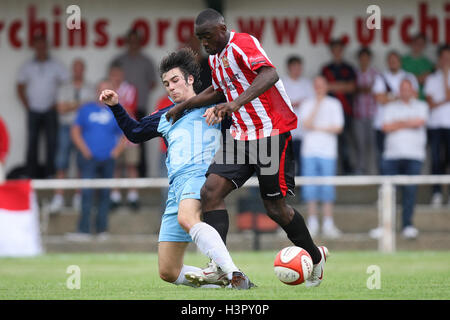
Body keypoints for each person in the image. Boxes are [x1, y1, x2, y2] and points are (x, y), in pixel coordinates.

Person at [165, 8, 328, 289]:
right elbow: (219, 89)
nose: (204, 43)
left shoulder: (243, 43)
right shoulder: (215, 57)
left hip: (270, 134)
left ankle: (315, 256)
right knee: (210, 192)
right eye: (200, 39)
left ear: (221, 28)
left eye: (207, 37)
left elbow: (270, 74)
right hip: (240, 137)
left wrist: (235, 103)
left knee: (275, 209)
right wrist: (185, 105)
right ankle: (220, 266)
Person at [100, 48, 253, 289]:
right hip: (175, 187)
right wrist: (116, 106)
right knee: (168, 271)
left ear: (190, 79)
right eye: (166, 83)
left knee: (187, 217)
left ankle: (234, 273)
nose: (170, 87)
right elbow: (135, 133)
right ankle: (225, 283)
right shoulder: (166, 115)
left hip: (200, 176)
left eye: (175, 80)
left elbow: (244, 117)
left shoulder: (215, 104)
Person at [65, 80, 127, 241]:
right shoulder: (86, 109)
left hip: (108, 159)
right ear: (96, 92)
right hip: (88, 159)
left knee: (106, 195)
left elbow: (125, 132)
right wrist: (84, 150)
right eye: (101, 90)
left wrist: (116, 152)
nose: (104, 94)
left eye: (107, 90)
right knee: (86, 194)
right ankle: (84, 230)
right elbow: (75, 131)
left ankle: (102, 230)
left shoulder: (116, 111)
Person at [370, 79, 428, 239]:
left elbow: (420, 122)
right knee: (387, 192)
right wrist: (409, 122)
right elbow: (386, 127)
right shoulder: (389, 107)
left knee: (410, 192)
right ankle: (384, 226)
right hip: (391, 156)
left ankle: (407, 225)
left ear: (413, 91)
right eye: (402, 89)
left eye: (408, 89)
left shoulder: (421, 106)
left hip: (414, 155)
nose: (405, 91)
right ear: (399, 91)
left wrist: (398, 123)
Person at [16, 33, 70, 178]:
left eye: (43, 45)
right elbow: (20, 86)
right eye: (38, 45)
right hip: (33, 110)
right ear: (34, 47)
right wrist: (26, 104)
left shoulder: (56, 65)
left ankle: (50, 174)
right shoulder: (27, 65)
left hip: (50, 110)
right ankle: (30, 174)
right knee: (32, 143)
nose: (41, 48)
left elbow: (65, 84)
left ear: (47, 47)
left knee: (52, 143)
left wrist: (57, 102)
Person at [49, 58, 96, 213]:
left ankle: (78, 196)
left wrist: (71, 105)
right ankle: (59, 197)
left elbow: (90, 108)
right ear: (72, 70)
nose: (77, 71)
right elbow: (61, 109)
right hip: (66, 127)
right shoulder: (64, 87)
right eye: (75, 68)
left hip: (84, 129)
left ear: (84, 70)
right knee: (61, 162)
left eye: (80, 68)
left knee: (81, 163)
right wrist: (79, 105)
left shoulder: (90, 88)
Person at [299, 76, 344, 238]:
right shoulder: (307, 103)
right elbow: (306, 124)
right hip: (310, 151)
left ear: (327, 86)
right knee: (310, 188)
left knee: (327, 187)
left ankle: (328, 223)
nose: (319, 88)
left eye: (322, 85)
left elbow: (338, 127)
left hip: (328, 152)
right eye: (316, 85)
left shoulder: (334, 104)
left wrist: (317, 127)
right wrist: (317, 104)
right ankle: (312, 222)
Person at [112, 29, 158, 178]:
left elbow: (152, 83)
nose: (133, 44)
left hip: (139, 107)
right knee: (117, 140)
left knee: (140, 141)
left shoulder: (146, 61)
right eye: (130, 41)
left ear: (139, 42)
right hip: (119, 108)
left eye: (135, 41)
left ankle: (141, 176)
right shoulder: (119, 60)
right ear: (126, 42)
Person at [372, 51, 419, 174]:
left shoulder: (409, 77)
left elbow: (415, 96)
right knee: (383, 157)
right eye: (390, 60)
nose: (393, 63)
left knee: (405, 156)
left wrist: (390, 97)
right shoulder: (381, 77)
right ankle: (385, 187)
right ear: (387, 62)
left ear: (400, 61)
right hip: (383, 124)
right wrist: (401, 96)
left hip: (405, 123)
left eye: (395, 60)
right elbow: (379, 98)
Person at [107, 62, 140, 210]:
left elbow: (130, 108)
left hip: (129, 131)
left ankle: (133, 196)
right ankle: (115, 195)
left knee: (131, 164)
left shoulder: (130, 88)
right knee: (116, 165)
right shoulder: (106, 89)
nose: (116, 77)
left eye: (118, 74)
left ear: (122, 74)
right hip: (113, 133)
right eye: (113, 74)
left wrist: (114, 104)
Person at [321, 38, 357, 175]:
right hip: (328, 113)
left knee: (346, 143)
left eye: (339, 49)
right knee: (330, 144)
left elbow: (352, 88)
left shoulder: (349, 68)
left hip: (346, 110)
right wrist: (342, 86)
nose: (337, 52)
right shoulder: (326, 69)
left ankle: (347, 171)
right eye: (334, 49)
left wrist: (333, 86)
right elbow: (324, 87)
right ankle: (333, 172)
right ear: (331, 51)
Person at [424, 44, 450, 207]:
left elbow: (447, 95)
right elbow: (430, 103)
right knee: (435, 159)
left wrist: (446, 76)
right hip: (434, 125)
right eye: (444, 57)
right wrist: (444, 100)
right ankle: (437, 193)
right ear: (439, 59)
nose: (446, 60)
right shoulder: (431, 79)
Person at [281, 55, 314, 176]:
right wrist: (295, 103)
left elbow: (312, 102)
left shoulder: (307, 83)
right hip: (287, 129)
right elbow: (279, 103)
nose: (297, 70)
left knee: (302, 158)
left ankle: (300, 185)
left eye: (299, 67)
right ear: (289, 68)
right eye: (294, 67)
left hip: (303, 128)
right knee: (287, 159)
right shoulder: (282, 83)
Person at [353, 47, 378, 175]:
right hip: (358, 114)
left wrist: (361, 89)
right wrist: (364, 89)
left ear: (369, 59)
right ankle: (360, 170)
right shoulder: (355, 73)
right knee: (360, 144)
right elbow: (353, 89)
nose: (364, 60)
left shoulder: (375, 73)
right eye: (361, 58)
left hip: (373, 115)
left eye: (366, 58)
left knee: (373, 144)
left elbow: (376, 91)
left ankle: (373, 170)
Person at [402, 33, 434, 101]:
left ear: (424, 46)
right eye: (416, 43)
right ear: (412, 44)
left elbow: (426, 80)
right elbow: (403, 79)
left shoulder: (427, 63)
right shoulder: (403, 60)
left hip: (422, 98)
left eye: (421, 44)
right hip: (406, 98)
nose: (418, 46)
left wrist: (413, 77)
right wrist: (418, 78)